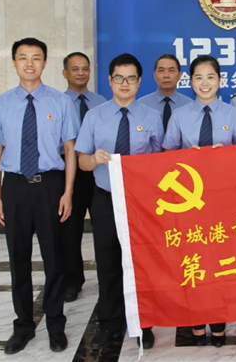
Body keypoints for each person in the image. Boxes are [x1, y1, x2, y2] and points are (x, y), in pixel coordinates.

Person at [0, 37, 79, 354]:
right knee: (18, 259)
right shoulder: (0, 104)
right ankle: (23, 326)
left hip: (50, 185)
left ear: (45, 63)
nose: (29, 63)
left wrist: (68, 192)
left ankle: (55, 326)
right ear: (14, 62)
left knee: (55, 260)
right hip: (15, 187)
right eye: (23, 57)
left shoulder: (60, 102)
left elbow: (70, 150)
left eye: (36, 57)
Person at [162, 55, 236, 347]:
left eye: (210, 77)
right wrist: (184, 157)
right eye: (199, 77)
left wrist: (227, 156)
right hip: (189, 203)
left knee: (221, 261)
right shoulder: (180, 116)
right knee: (194, 260)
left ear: (219, 80)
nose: (205, 83)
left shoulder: (233, 115)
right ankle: (196, 319)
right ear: (190, 81)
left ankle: (219, 320)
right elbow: (165, 157)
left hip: (223, 201)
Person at [74, 53, 163, 350]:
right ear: (110, 81)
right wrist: (93, 159)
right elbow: (82, 161)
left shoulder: (151, 117)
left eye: (131, 78)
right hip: (105, 198)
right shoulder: (94, 116)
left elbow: (160, 162)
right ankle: (111, 323)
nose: (125, 83)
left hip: (140, 202)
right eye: (119, 78)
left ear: (139, 82)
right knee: (108, 262)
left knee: (141, 264)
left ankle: (143, 324)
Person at [61, 51, 106, 303]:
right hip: (69, 172)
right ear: (65, 73)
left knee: (103, 228)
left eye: (85, 68)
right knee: (70, 228)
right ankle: (72, 280)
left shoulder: (101, 102)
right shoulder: (58, 103)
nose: (81, 73)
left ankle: (107, 279)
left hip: (98, 170)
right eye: (75, 69)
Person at [138, 54, 192, 132]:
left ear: (179, 75)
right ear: (154, 75)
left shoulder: (189, 106)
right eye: (161, 70)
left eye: (171, 70)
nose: (166, 75)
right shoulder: (141, 105)